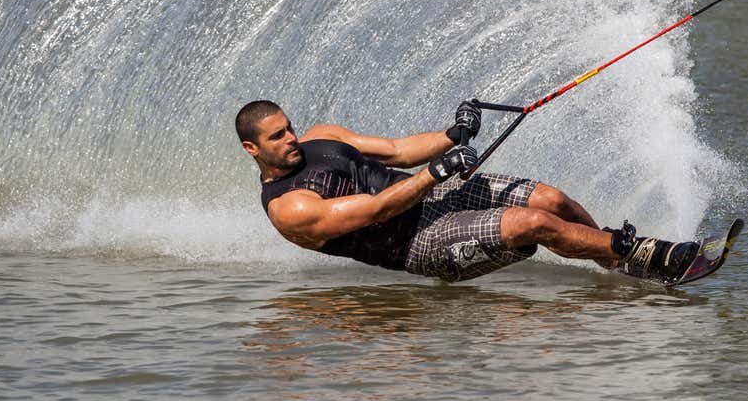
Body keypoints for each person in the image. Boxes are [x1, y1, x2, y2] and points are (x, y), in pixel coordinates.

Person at [235, 99, 698, 283]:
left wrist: (454, 134)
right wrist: (437, 173)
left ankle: (613, 264)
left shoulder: (321, 135)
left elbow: (397, 151)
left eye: (289, 128)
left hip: (431, 197)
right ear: (252, 148)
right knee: (533, 224)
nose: (292, 138)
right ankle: (646, 253)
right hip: (416, 245)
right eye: (277, 137)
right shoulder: (290, 208)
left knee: (551, 201)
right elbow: (377, 210)